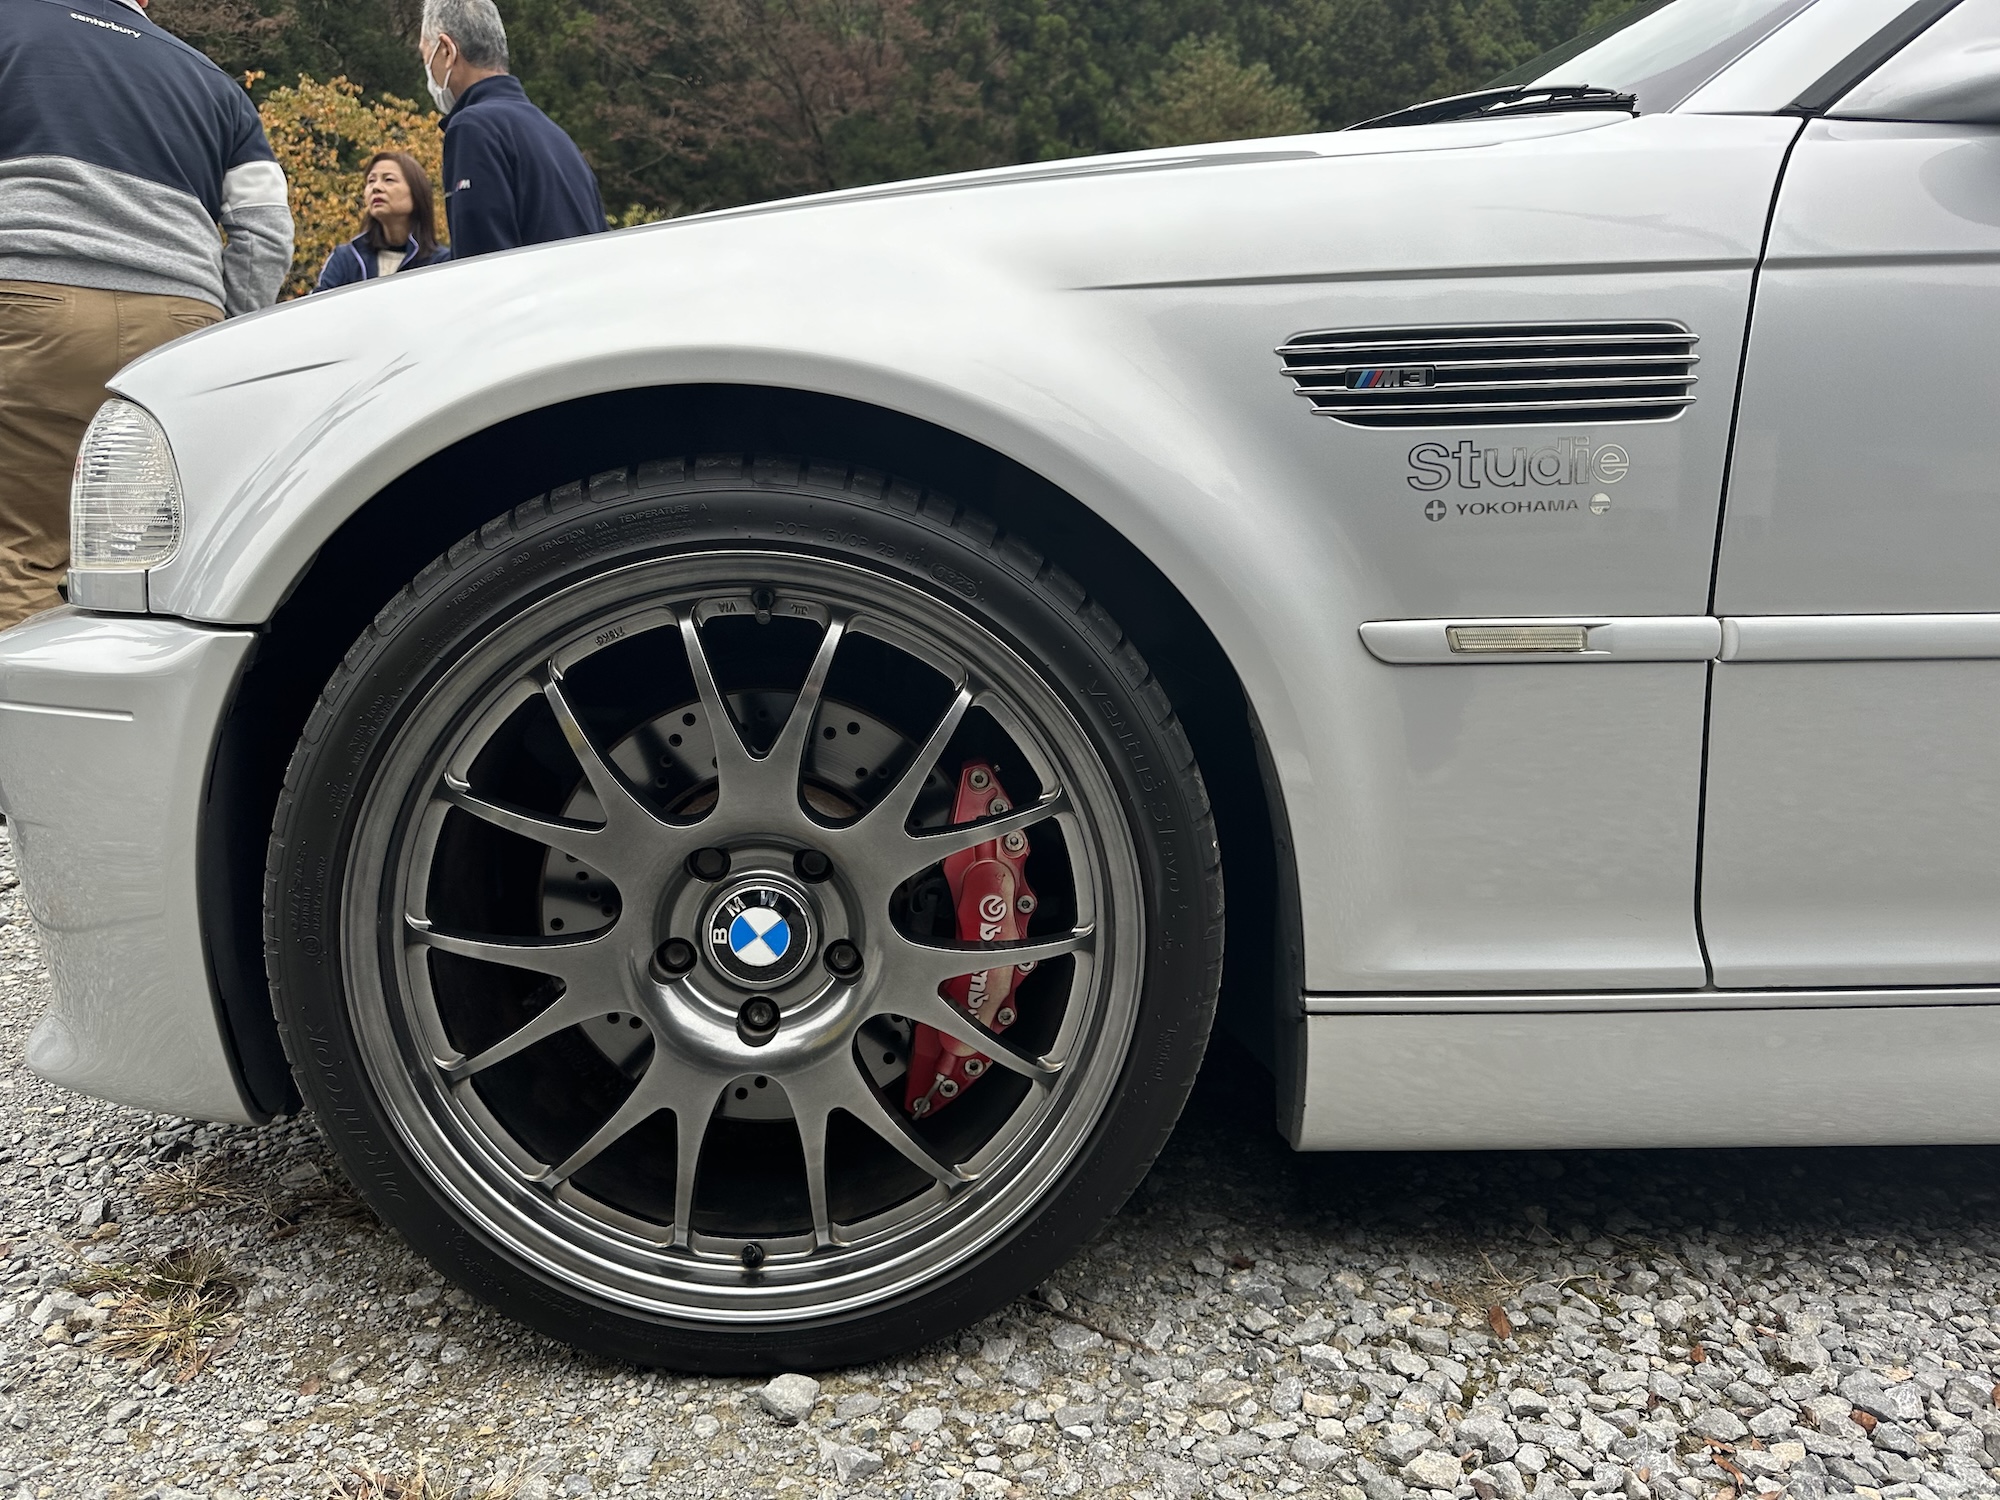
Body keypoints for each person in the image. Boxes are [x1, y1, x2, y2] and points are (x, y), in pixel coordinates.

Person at [0, 0, 293, 631]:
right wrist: (221, 336)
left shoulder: (10, 24)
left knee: (22, 554)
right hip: (179, 330)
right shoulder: (213, 81)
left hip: (33, 306)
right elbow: (268, 230)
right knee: (141, 568)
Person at [419, 0, 607, 262]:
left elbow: (481, 264)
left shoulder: (473, 127)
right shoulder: (556, 136)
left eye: (426, 58)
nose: (429, 74)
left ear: (447, 51)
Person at [313, 152, 450, 292]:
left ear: (417, 194)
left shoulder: (442, 264)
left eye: (389, 180)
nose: (376, 187)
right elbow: (319, 304)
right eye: (371, 181)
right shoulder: (346, 259)